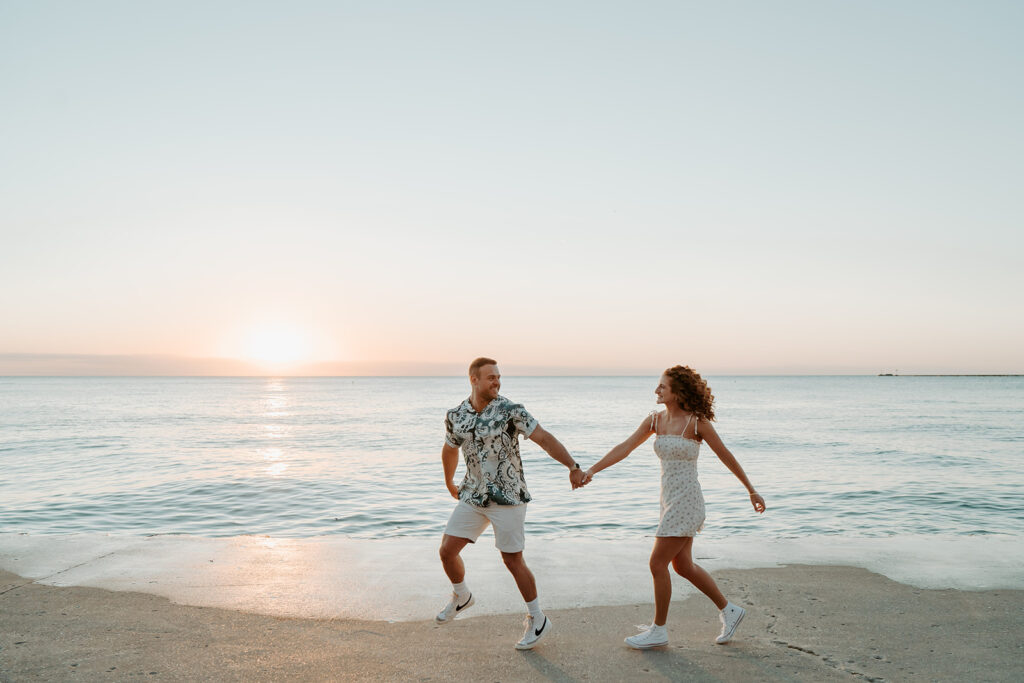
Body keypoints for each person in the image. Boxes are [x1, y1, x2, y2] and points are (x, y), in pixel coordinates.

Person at [582, 365, 766, 649]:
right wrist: (591, 471)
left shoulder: (697, 423)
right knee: (684, 567)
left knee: (657, 563)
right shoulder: (655, 420)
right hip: (668, 501)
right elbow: (625, 447)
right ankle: (730, 611)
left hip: (688, 500)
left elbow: (726, 456)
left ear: (678, 393)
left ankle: (659, 630)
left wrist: (751, 489)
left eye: (662, 387)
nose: (656, 390)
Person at [435, 357, 587, 650]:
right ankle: (462, 596)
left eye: (498, 377)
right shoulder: (456, 415)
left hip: (509, 498)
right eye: (490, 377)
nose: (497, 382)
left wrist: (573, 465)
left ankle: (538, 618)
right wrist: (448, 481)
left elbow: (543, 438)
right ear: (474, 380)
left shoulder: (510, 411)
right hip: (473, 495)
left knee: (512, 560)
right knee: (446, 550)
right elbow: (449, 449)